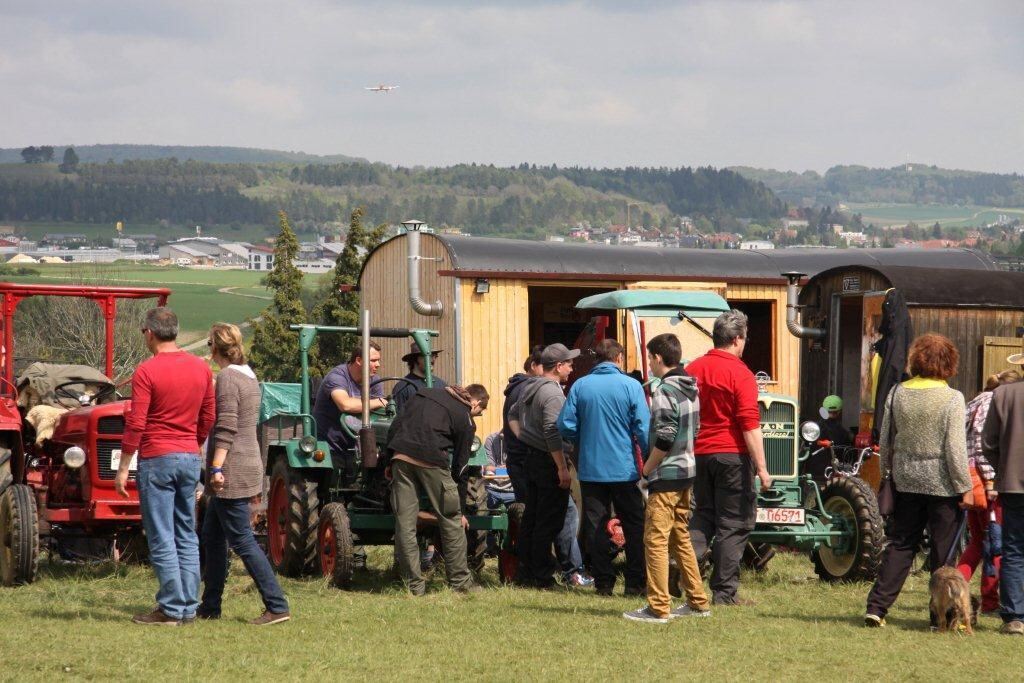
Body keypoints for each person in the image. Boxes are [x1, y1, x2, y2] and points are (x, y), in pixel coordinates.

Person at [865, 333, 972, 628]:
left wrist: (888, 473)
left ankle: (877, 607)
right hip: (942, 484)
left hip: (906, 479)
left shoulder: (897, 393)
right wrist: (965, 486)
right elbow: (954, 449)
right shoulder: (952, 398)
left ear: (916, 360)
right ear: (949, 362)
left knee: (901, 545)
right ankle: (942, 617)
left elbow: (886, 439)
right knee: (943, 553)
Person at [116, 307, 214, 625]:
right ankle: (187, 607)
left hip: (157, 457)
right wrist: (193, 441)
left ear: (150, 333)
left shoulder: (147, 371)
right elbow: (209, 416)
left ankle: (171, 607)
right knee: (186, 532)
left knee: (161, 535)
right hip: (189, 456)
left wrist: (123, 465)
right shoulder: (201, 368)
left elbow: (137, 422)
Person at [198, 323, 290, 625]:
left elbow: (226, 425)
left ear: (215, 348)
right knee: (212, 536)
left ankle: (276, 605)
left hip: (232, 466)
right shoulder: (249, 375)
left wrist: (216, 467)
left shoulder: (227, 377)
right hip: (249, 459)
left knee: (243, 541)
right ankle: (210, 606)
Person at [686, 309, 772, 606]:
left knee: (702, 517)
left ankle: (682, 572)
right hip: (732, 455)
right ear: (737, 339)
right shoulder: (741, 373)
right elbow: (749, 423)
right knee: (733, 523)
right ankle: (724, 593)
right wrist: (762, 468)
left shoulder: (692, 370)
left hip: (699, 454)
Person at [624, 333, 710, 623]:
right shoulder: (691, 387)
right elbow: (694, 431)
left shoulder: (664, 391)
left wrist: (647, 469)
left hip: (667, 475)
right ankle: (698, 601)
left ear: (658, 358)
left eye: (649, 358)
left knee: (655, 540)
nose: (649, 363)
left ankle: (658, 607)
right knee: (680, 538)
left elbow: (665, 436)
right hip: (688, 471)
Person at [558, 338, 650, 597]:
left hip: (591, 468)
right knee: (634, 525)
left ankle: (604, 583)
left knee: (595, 525)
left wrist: (581, 438)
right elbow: (643, 427)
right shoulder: (631, 386)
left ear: (596, 358)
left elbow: (565, 424)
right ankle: (634, 583)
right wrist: (649, 459)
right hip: (624, 468)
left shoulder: (580, 386)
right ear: (618, 358)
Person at [387, 383, 489, 595]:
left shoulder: (424, 393)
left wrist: (389, 461)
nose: (476, 415)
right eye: (479, 412)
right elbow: (460, 467)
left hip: (401, 457)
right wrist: (459, 510)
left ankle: (413, 586)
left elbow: (396, 425)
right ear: (476, 403)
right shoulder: (465, 417)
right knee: (451, 520)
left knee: (405, 524)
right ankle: (460, 582)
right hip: (432, 461)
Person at [509, 343, 577, 589]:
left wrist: (524, 437)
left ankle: (526, 571)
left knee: (533, 518)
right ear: (558, 366)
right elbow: (551, 430)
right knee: (549, 520)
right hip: (548, 461)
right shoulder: (552, 393)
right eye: (569, 363)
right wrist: (561, 467)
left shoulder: (529, 386)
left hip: (532, 457)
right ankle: (542, 575)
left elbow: (513, 415)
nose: (572, 368)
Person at [959, 369, 1019, 615]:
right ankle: (990, 601)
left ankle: (954, 587)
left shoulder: (974, 403)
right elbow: (986, 446)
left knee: (977, 541)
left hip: (969, 479)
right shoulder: (994, 404)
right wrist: (993, 480)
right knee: (996, 543)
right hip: (987, 482)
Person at [982, 357, 1024, 635]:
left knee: (1014, 550)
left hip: (1012, 484)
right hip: (1011, 482)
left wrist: (1003, 467)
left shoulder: (1003, 394)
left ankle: (1015, 617)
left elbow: (988, 443)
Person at [312, 343, 386, 488]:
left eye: (378, 360)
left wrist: (380, 403)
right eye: (373, 360)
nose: (378, 365)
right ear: (359, 360)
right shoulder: (337, 376)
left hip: (359, 445)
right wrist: (378, 401)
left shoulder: (375, 380)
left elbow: (378, 412)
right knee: (333, 490)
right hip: (330, 445)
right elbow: (345, 404)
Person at [392, 341, 447, 413]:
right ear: (415, 358)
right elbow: (398, 420)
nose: (432, 360)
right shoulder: (402, 387)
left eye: (434, 356)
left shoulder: (441, 385)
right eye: (428, 356)